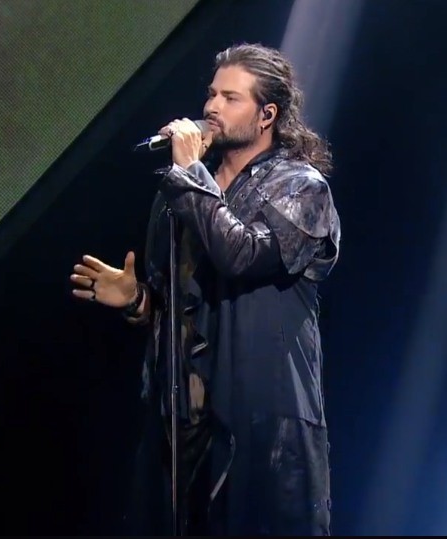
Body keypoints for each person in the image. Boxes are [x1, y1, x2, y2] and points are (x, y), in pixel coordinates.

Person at [70, 43, 340, 536]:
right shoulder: (178, 194)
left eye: (230, 98)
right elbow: (186, 307)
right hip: (181, 426)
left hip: (261, 426)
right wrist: (138, 300)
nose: (212, 107)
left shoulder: (301, 188)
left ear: (267, 115)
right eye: (211, 94)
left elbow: (241, 256)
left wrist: (190, 174)